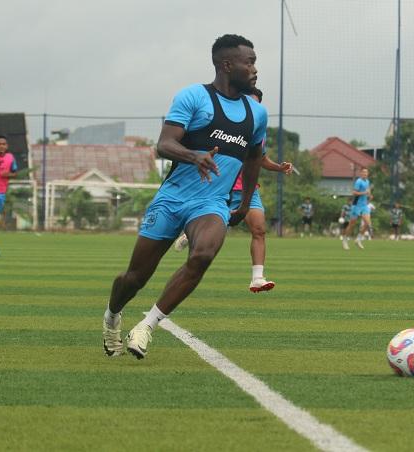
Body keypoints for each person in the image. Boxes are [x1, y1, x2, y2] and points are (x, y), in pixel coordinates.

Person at [102, 34, 267, 359]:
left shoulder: (257, 114)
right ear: (226, 64)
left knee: (203, 255)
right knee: (135, 278)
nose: (254, 69)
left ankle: (147, 326)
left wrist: (245, 202)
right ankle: (112, 315)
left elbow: (253, 158)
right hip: (172, 199)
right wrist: (195, 156)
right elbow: (164, 144)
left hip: (211, 205)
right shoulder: (194, 97)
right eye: (249, 62)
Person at [174, 87, 292, 293]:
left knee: (259, 229)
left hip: (248, 190)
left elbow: (261, 159)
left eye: (256, 104)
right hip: (223, 186)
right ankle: (191, 232)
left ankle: (257, 278)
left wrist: (278, 167)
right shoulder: (229, 126)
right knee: (214, 228)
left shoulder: (257, 130)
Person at [342, 168, 372, 250]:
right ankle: (345, 240)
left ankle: (358, 239)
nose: (365, 173)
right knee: (352, 224)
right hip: (356, 205)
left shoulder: (367, 181)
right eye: (363, 172)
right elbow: (354, 192)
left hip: (364, 206)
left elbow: (368, 191)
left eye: (366, 172)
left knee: (368, 223)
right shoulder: (359, 181)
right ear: (361, 173)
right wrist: (364, 193)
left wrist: (369, 195)